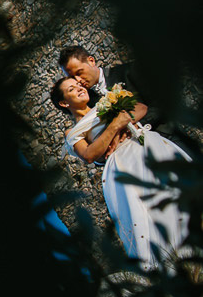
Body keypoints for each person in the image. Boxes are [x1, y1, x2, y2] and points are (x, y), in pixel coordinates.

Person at [51, 77, 191, 271]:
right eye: (72, 89)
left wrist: (118, 131)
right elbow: (90, 154)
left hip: (147, 145)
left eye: (79, 85)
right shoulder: (72, 131)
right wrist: (116, 125)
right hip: (123, 164)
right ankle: (174, 261)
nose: (80, 89)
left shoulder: (106, 100)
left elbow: (141, 108)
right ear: (64, 102)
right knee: (151, 208)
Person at [58, 45, 149, 109]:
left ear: (91, 61)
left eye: (79, 72)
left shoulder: (127, 72)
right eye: (73, 77)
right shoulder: (88, 102)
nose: (78, 80)